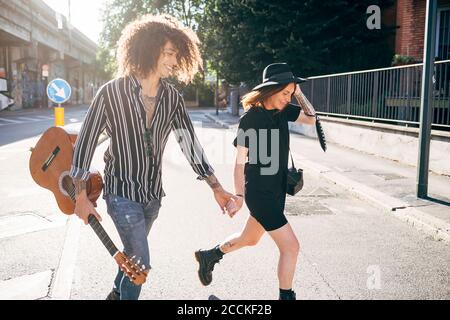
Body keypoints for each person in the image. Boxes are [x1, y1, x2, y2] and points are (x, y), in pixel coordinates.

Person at [70, 14, 237, 300]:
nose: (174, 61)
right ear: (148, 48)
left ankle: (115, 294)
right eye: (169, 53)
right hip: (121, 193)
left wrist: (217, 187)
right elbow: (84, 145)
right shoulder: (111, 92)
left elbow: (190, 146)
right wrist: (80, 196)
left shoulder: (172, 98)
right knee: (141, 265)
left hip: (152, 197)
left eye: (177, 55)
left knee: (133, 259)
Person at [194, 63, 317, 300]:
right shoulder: (250, 120)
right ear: (270, 90)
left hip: (278, 190)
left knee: (249, 239)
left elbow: (312, 118)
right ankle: (286, 296)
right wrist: (239, 196)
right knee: (291, 247)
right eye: (284, 93)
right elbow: (239, 163)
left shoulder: (283, 109)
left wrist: (297, 91)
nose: (287, 98)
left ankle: (210, 256)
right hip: (260, 194)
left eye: (290, 94)